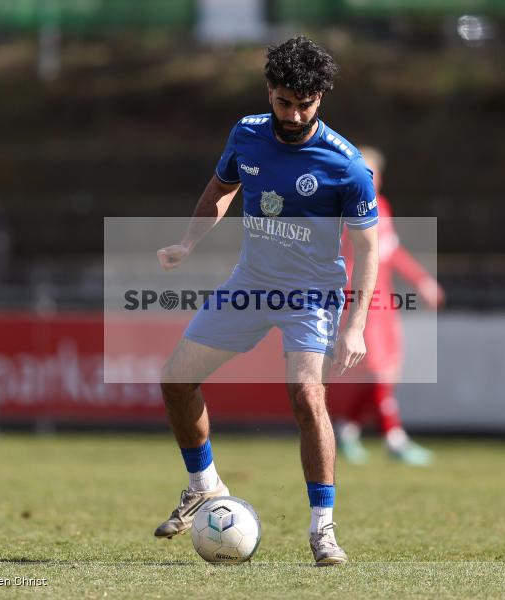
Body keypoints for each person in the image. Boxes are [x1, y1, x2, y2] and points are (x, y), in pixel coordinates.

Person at [152, 36, 378, 565]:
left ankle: (323, 530)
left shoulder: (346, 165)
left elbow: (368, 247)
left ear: (320, 98)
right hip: (250, 284)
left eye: (306, 104)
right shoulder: (247, 135)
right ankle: (203, 485)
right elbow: (221, 188)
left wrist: (356, 324)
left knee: (306, 396)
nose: (294, 115)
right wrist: (189, 241)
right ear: (268, 91)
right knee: (174, 378)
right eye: (284, 102)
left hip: (310, 295)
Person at [334, 146, 445, 466]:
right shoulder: (343, 211)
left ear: (379, 177)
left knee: (388, 371)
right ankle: (395, 439)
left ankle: (347, 430)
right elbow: (345, 259)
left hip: (384, 303)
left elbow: (391, 252)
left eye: (371, 172)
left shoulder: (381, 207)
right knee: (379, 371)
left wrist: (422, 280)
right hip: (361, 302)